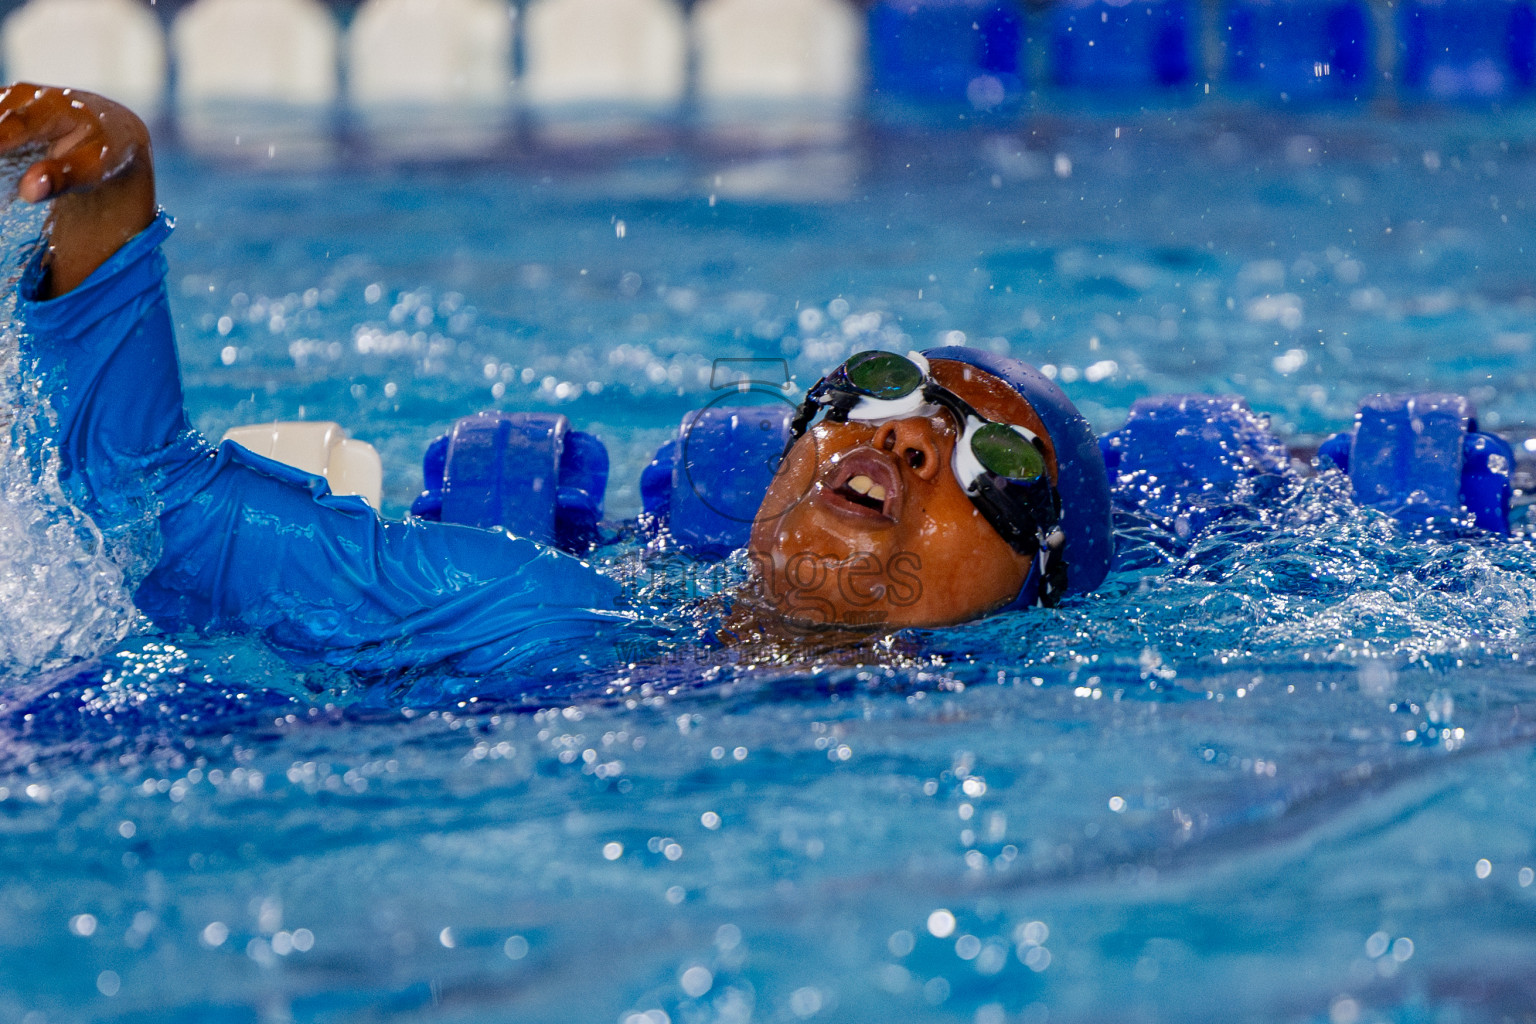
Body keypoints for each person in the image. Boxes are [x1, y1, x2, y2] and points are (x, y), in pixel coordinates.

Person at [0, 83, 1114, 680]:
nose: (912, 434)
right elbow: (142, 517)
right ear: (791, 455)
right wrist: (114, 187)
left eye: (998, 457)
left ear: (1042, 580)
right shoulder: (532, 611)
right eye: (879, 388)